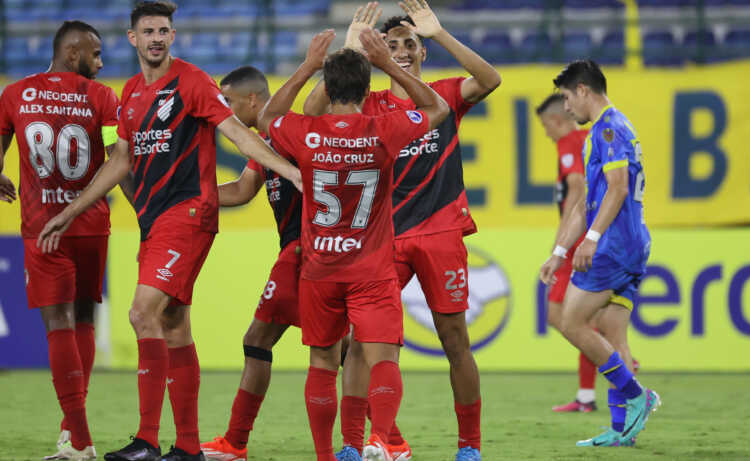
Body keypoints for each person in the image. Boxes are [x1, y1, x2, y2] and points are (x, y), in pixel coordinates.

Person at [37, 3, 302, 461]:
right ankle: (188, 446)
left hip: (188, 214)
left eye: (163, 30)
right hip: (153, 220)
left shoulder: (192, 82)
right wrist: (72, 210)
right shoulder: (130, 92)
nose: (157, 38)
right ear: (133, 38)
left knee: (142, 313)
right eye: (148, 31)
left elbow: (237, 133)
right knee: (173, 326)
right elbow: (120, 161)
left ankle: (146, 440)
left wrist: (286, 168)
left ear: (172, 36)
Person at [304, 2, 501, 460]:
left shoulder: (443, 95)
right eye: (391, 45)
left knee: (455, 339)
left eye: (410, 44)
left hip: (441, 233)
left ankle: (469, 447)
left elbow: (490, 79)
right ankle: (358, 445)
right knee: (361, 343)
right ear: (380, 53)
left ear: (423, 51)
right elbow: (313, 112)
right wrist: (351, 51)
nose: (402, 51)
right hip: (383, 239)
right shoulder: (368, 105)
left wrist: (440, 32)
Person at [257, 27, 448, 461]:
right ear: (366, 89)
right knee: (383, 358)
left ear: (327, 88)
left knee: (323, 363)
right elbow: (436, 107)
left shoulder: (306, 133)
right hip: (371, 269)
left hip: (320, 270)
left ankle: (327, 456)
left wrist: (307, 66)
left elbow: (267, 117)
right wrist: (387, 64)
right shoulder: (384, 129)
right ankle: (379, 441)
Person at [0, 19, 133, 461]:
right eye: (96, 54)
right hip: (91, 224)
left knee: (58, 324)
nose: (101, 62)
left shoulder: (15, 94)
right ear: (72, 53)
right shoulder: (103, 97)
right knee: (85, 319)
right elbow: (118, 158)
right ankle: (71, 428)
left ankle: (79, 439)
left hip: (44, 227)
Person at [539, 60, 660, 447]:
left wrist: (591, 239)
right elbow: (584, 203)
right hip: (631, 243)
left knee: (571, 321)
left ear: (583, 90)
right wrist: (560, 251)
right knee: (613, 332)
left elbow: (618, 187)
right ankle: (622, 429)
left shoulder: (609, 128)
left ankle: (636, 395)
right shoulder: (604, 130)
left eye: (567, 97)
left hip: (614, 246)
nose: (566, 106)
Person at [199, 66, 303, 461]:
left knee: (259, 340)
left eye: (227, 101)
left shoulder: (291, 133)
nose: (223, 109)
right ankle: (385, 437)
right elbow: (243, 190)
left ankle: (235, 443)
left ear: (252, 100)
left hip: (304, 252)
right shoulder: (266, 144)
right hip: (303, 252)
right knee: (341, 348)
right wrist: (189, 196)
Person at [535, 94, 598, 413]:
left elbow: (576, 185)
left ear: (557, 120)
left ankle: (612, 357)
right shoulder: (589, 139)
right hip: (594, 237)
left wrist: (561, 241)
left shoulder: (569, 141)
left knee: (561, 316)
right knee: (586, 319)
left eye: (546, 126)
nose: (547, 133)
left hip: (576, 242)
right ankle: (586, 396)